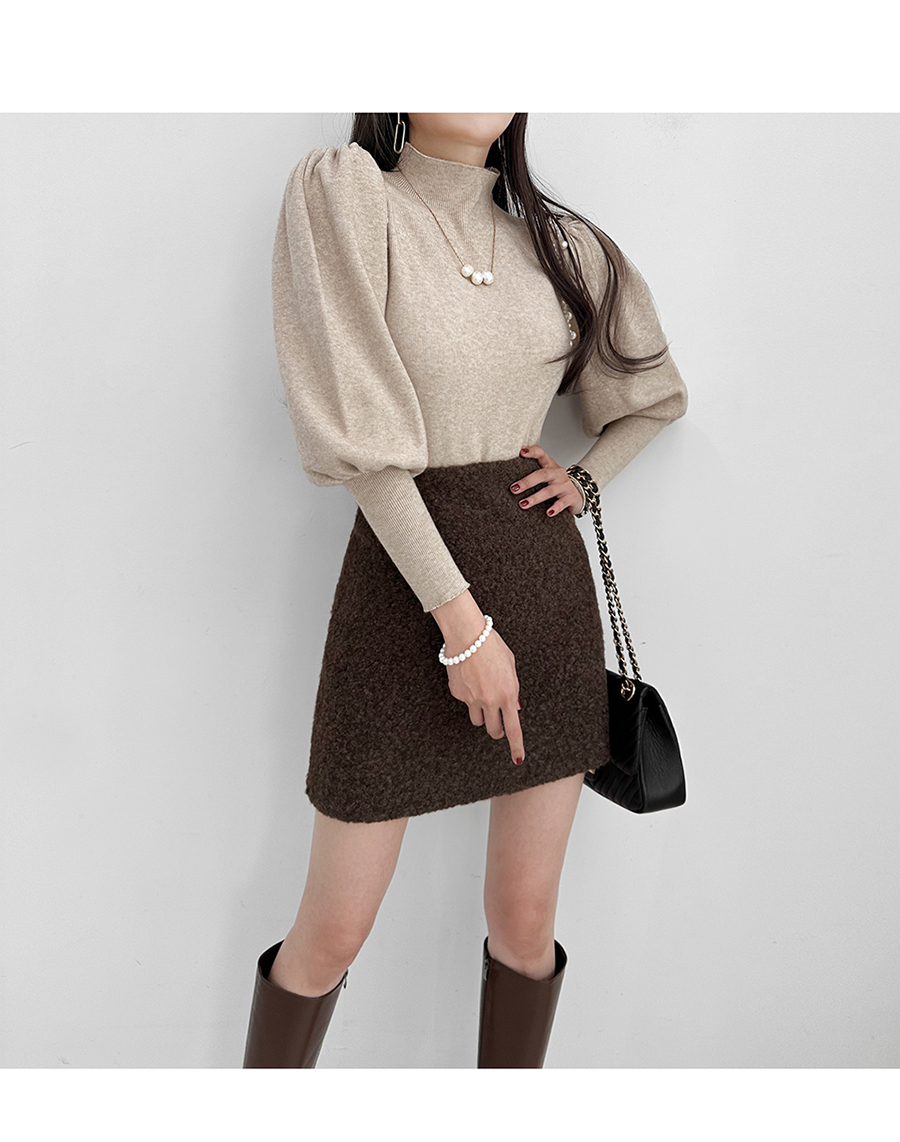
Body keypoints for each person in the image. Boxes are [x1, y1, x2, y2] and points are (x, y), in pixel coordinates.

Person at [242, 112, 688, 1068]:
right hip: (405, 591)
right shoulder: (350, 196)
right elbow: (361, 444)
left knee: (525, 920)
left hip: (543, 592)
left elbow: (652, 398)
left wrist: (587, 477)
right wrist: (464, 629)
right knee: (333, 932)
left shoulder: (564, 247)